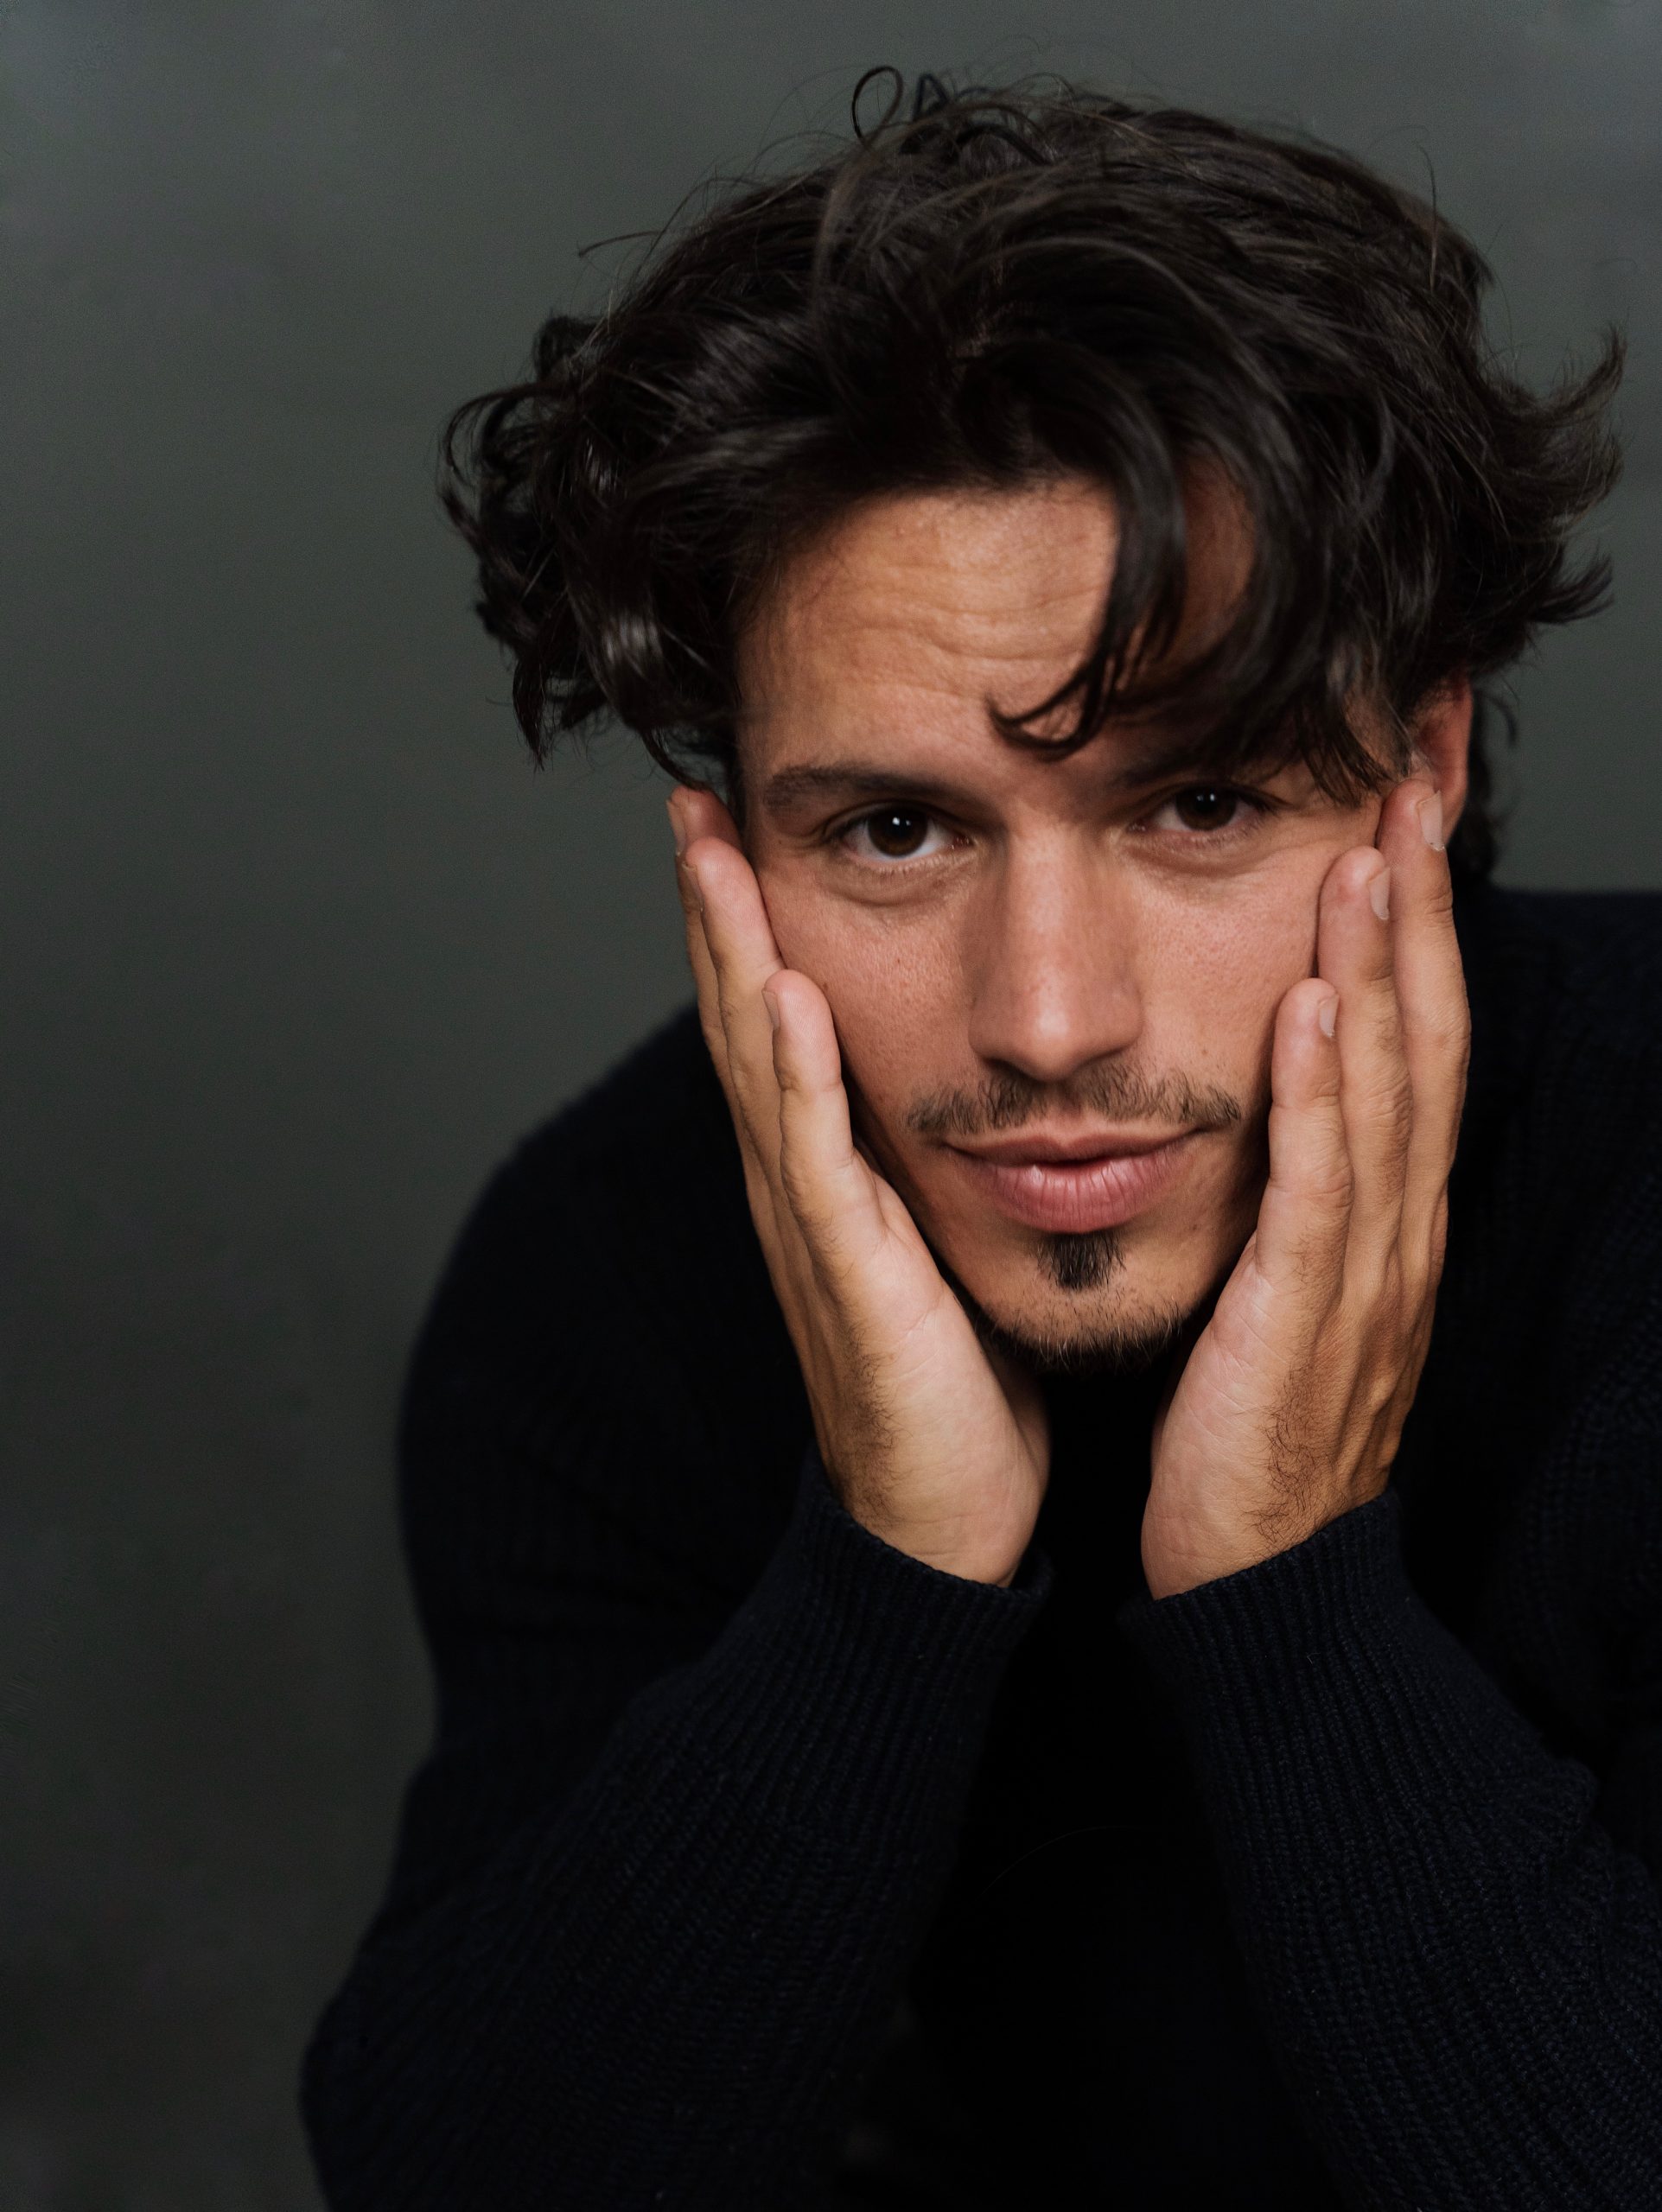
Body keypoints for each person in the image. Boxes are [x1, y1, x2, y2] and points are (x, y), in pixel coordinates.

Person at [297, 72, 1662, 2209]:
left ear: (1415, 766)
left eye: (1196, 803)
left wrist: (1282, 1583)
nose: (1044, 1019)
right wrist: (887, 1568)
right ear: (732, 852)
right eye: (894, 829)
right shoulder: (604, 1266)